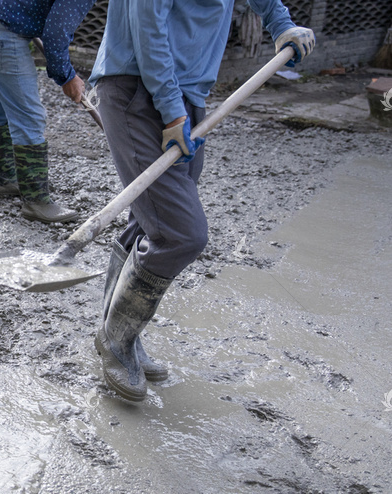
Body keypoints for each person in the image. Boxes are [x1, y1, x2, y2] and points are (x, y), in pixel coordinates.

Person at [87, 0, 315, 401]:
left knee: (149, 217)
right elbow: (147, 25)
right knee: (181, 233)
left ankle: (121, 332)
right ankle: (116, 341)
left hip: (187, 93)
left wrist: (280, 22)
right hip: (137, 86)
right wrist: (173, 113)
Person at [0, 0, 97, 224]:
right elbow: (55, 33)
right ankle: (36, 201)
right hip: (4, 32)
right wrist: (67, 76)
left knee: (1, 109)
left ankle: (5, 180)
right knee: (29, 116)